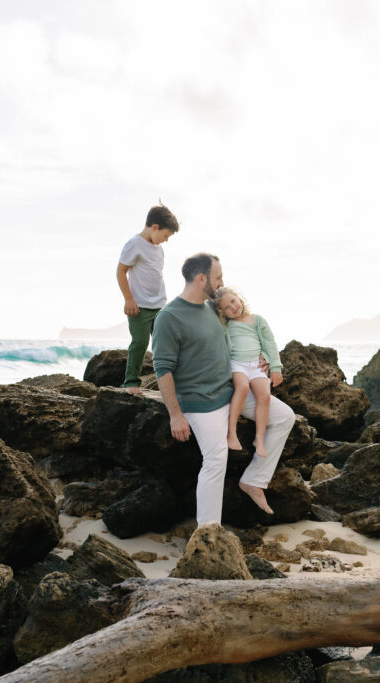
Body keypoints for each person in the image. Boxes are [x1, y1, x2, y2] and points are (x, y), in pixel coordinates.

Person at [151, 253, 296, 524]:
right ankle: (208, 532)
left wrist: (260, 359)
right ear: (201, 278)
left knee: (285, 417)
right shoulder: (168, 317)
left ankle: (254, 479)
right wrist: (175, 415)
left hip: (231, 391)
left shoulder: (212, 309)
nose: (222, 283)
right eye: (218, 277)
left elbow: (242, 338)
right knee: (216, 459)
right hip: (200, 403)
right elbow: (163, 369)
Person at [212, 287, 283, 458]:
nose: (233, 307)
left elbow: (269, 343)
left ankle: (259, 438)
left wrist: (275, 367)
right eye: (227, 307)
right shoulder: (226, 326)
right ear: (223, 313)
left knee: (264, 395)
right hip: (237, 364)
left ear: (240, 299)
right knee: (242, 388)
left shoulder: (257, 320)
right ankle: (232, 433)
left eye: (233, 301)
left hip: (256, 366)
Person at [116, 205, 180, 394]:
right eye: (166, 235)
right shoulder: (134, 244)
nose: (166, 240)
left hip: (160, 305)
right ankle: (131, 382)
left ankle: (171, 382)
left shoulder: (159, 249)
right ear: (154, 227)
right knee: (140, 342)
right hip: (140, 306)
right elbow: (121, 272)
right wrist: (128, 299)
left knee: (165, 344)